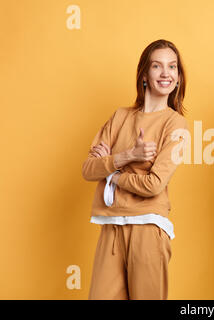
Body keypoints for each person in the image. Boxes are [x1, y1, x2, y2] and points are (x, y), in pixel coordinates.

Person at [81, 39, 188, 300]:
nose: (166, 73)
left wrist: (112, 172)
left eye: (172, 67)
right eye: (157, 66)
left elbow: (153, 184)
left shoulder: (177, 125)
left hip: (148, 227)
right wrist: (129, 156)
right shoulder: (120, 116)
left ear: (178, 77)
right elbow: (88, 169)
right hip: (111, 225)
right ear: (144, 74)